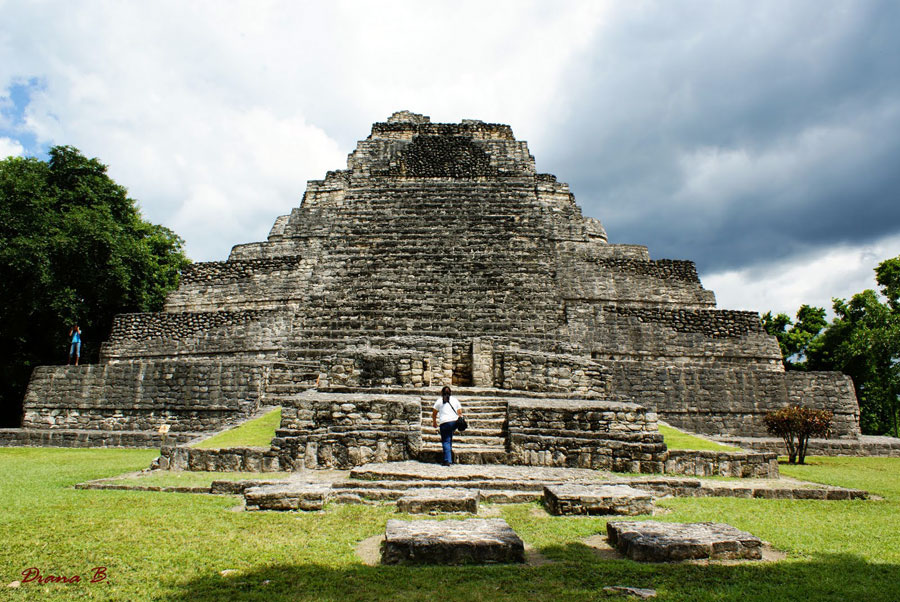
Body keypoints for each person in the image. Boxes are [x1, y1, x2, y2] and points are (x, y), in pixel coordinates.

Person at [431, 385, 463, 466]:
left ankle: (447, 460)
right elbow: (459, 412)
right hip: (454, 422)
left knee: (446, 441)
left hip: (445, 423)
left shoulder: (439, 401)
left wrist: (434, 422)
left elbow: (434, 413)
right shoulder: (455, 400)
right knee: (449, 438)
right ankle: (449, 457)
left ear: (442, 393)